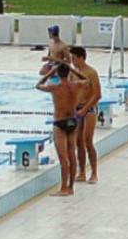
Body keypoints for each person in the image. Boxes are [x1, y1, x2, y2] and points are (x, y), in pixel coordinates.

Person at [35, 61, 83, 197]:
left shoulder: (54, 87)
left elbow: (38, 85)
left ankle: (63, 188)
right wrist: (72, 71)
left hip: (59, 123)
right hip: (72, 122)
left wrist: (50, 72)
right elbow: (85, 80)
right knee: (72, 156)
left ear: (57, 73)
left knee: (63, 159)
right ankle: (71, 187)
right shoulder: (75, 85)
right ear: (68, 73)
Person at [69, 45, 102, 184]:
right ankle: (81, 172)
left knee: (88, 141)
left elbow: (97, 95)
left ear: (81, 58)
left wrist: (85, 108)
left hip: (89, 109)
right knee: (78, 142)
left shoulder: (91, 72)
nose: (72, 61)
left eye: (74, 58)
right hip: (77, 109)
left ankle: (94, 173)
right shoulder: (73, 72)